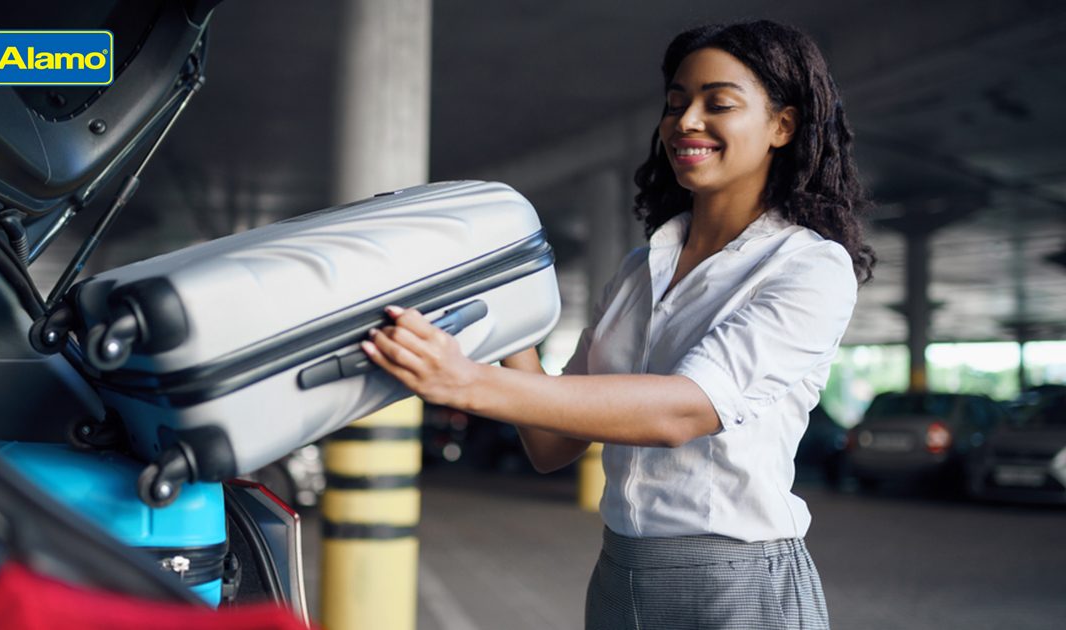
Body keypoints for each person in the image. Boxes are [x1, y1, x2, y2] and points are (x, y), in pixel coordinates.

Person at [360, 19, 875, 630]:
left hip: (736, 579)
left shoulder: (810, 266)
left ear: (782, 126)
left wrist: (464, 382)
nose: (685, 121)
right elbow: (551, 444)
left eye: (719, 103)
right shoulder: (641, 268)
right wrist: (507, 316)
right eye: (677, 103)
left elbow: (680, 411)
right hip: (619, 571)